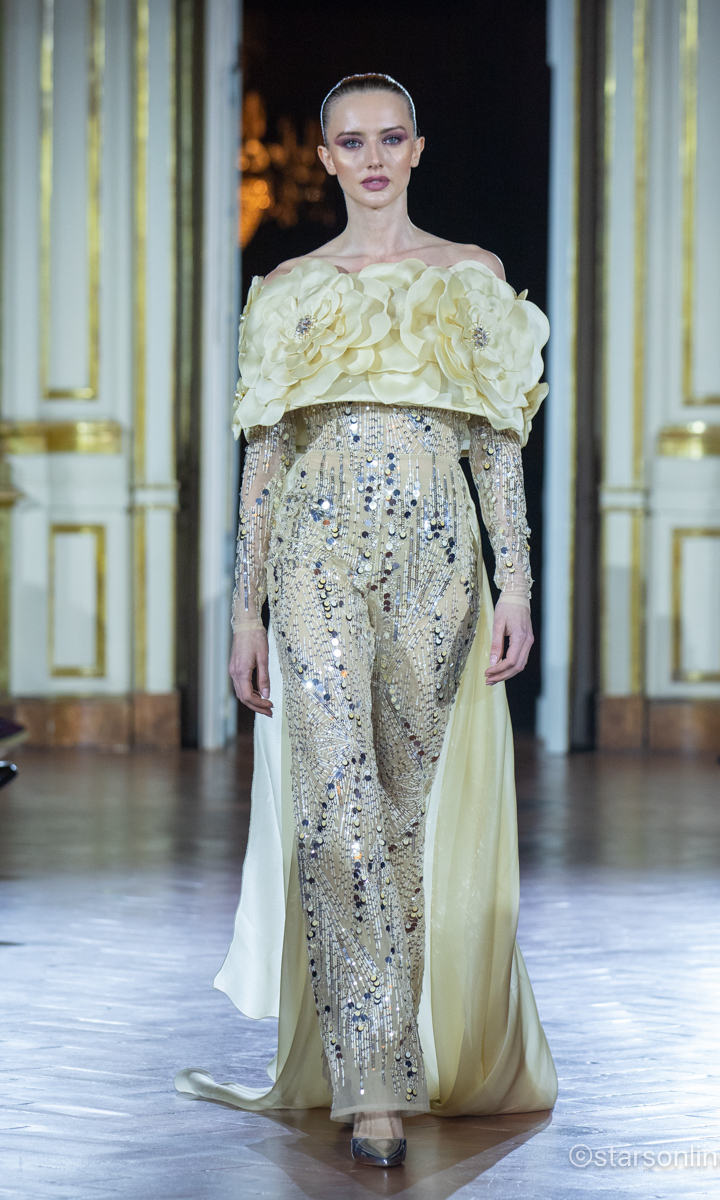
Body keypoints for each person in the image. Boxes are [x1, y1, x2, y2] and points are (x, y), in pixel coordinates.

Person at [175, 73, 557, 1168]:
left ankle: (393, 1044)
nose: (374, 157)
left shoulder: (472, 277)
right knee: (337, 810)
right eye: (352, 141)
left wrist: (516, 586)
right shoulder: (286, 290)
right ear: (325, 157)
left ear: (418, 148)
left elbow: (495, 448)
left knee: (399, 819)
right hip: (314, 557)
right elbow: (262, 462)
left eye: (391, 137)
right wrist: (244, 612)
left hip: (439, 562)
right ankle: (371, 1082)